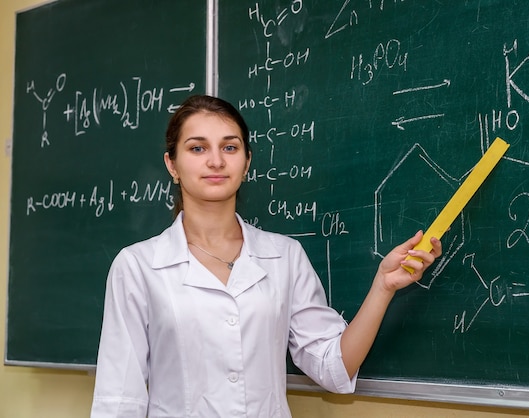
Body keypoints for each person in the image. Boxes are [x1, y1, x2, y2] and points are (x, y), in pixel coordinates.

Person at [90, 94, 442, 418]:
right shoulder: (137, 266)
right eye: (197, 148)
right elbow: (119, 399)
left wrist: (383, 286)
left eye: (230, 147)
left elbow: (334, 367)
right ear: (172, 164)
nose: (215, 161)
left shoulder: (284, 256)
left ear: (246, 163)